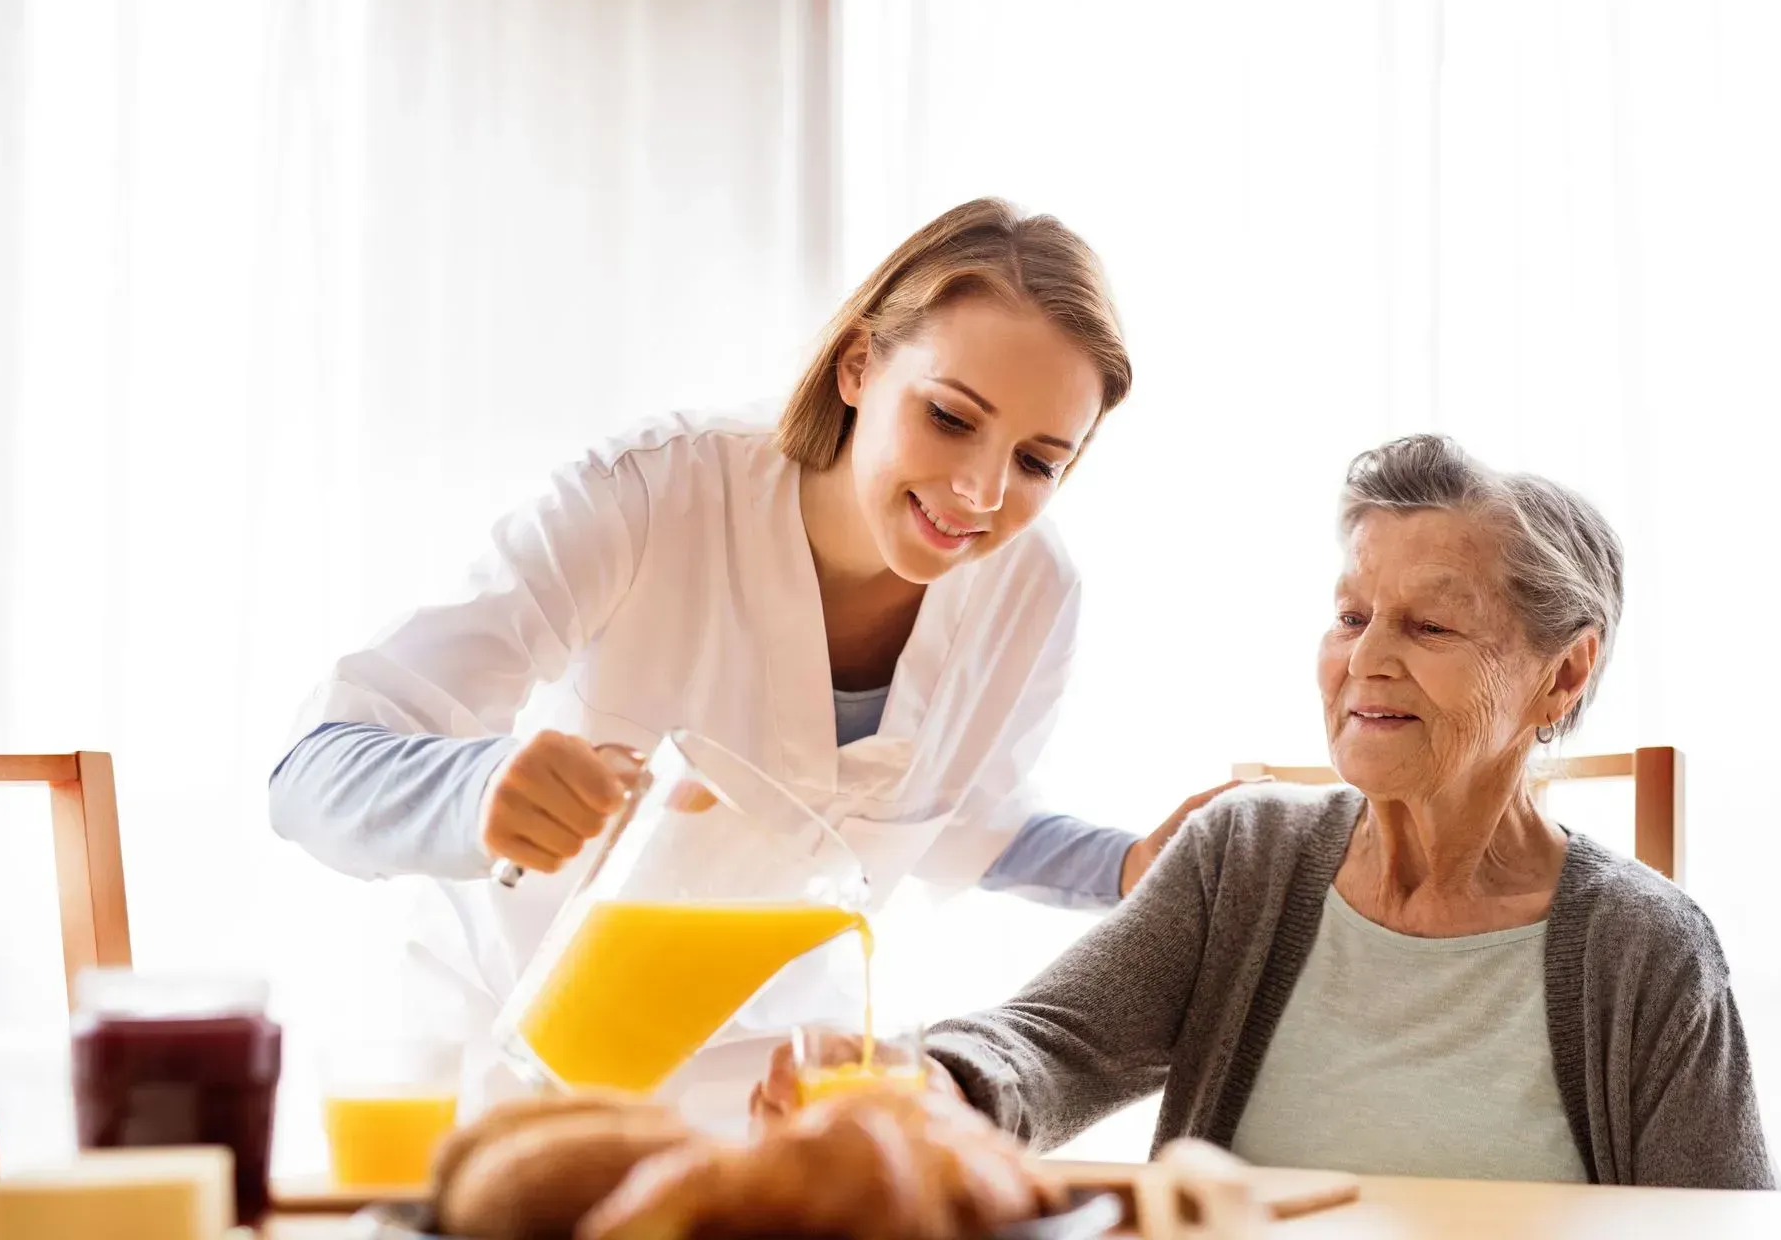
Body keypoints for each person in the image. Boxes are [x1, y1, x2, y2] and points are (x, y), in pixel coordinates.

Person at [269, 197, 1203, 1123]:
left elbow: (970, 822)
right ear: (857, 366)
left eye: (1039, 462)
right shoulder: (649, 494)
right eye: (952, 419)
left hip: (772, 1103)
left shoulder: (1032, 592)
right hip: (521, 1081)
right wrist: (477, 792)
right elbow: (309, 771)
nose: (980, 492)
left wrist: (1130, 866)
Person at [755, 434, 1776, 1189]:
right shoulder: (1244, 851)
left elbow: (1735, 1224)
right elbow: (1051, 1044)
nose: (1367, 657)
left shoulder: (1649, 948)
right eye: (1350, 614)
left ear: (1565, 674)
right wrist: (920, 1081)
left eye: (1429, 623)